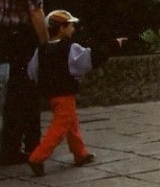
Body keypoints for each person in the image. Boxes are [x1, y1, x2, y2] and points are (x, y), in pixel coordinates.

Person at [26, 10, 122, 177]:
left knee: (70, 121)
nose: (73, 29)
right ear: (62, 28)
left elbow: (32, 71)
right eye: (70, 25)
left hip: (51, 94)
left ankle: (80, 153)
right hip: (65, 92)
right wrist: (114, 45)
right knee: (61, 126)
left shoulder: (41, 50)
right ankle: (37, 157)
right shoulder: (70, 48)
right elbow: (89, 59)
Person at [0, 0, 51, 166]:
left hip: (6, 33)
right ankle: (30, 146)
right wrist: (46, 44)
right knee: (29, 91)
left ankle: (15, 146)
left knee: (15, 91)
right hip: (25, 36)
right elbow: (35, 12)